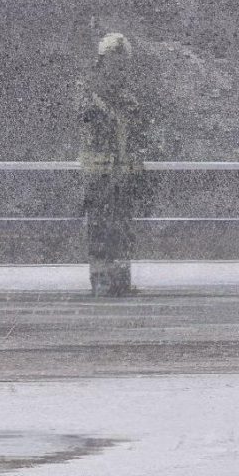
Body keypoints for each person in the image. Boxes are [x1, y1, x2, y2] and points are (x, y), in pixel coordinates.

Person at [78, 31, 155, 299]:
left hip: (124, 178)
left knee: (123, 230)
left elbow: (139, 140)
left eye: (124, 63)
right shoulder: (90, 95)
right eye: (115, 62)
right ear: (103, 61)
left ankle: (121, 281)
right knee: (100, 230)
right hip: (99, 178)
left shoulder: (130, 100)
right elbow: (84, 125)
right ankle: (101, 280)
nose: (121, 68)